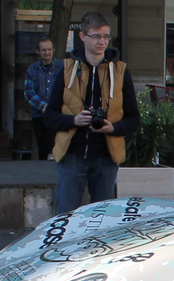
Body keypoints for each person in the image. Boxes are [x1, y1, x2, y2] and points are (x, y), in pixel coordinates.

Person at [45, 11, 139, 214]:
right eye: (96, 36)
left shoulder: (120, 72)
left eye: (106, 36)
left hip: (106, 156)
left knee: (102, 218)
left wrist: (113, 127)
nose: (102, 42)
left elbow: (133, 118)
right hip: (72, 155)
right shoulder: (67, 70)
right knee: (65, 217)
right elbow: (50, 116)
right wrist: (74, 120)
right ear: (82, 36)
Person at [22, 38, 62, 161]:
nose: (47, 52)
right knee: (42, 145)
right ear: (38, 51)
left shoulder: (62, 67)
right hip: (38, 113)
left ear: (53, 50)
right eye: (43, 50)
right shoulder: (32, 69)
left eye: (49, 49)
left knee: (55, 145)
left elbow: (67, 88)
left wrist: (53, 107)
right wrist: (44, 106)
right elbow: (29, 92)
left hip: (57, 112)